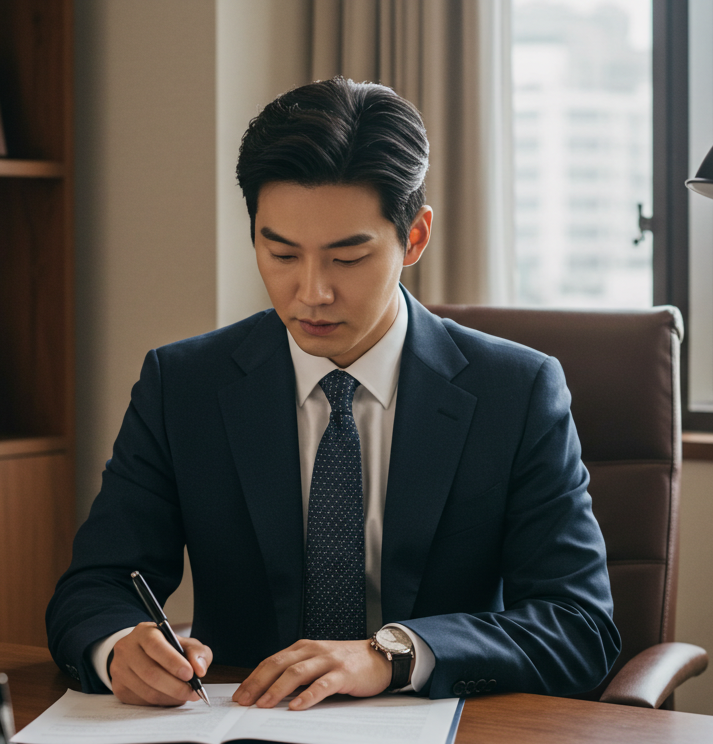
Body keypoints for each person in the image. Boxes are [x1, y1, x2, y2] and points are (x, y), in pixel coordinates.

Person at [46, 76, 620, 711]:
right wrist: (120, 646)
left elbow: (578, 626)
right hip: (240, 736)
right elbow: (94, 586)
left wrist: (392, 655)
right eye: (281, 253)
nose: (311, 292)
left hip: (444, 740)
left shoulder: (516, 392)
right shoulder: (183, 386)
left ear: (415, 238)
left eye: (347, 258)